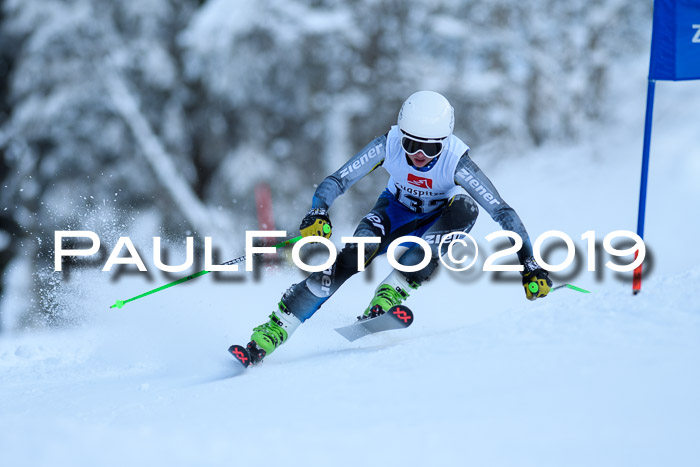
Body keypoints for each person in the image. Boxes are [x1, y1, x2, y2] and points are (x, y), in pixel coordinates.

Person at [242, 90, 551, 364]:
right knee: (349, 259)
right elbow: (338, 180)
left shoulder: (456, 161)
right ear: (401, 135)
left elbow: (501, 210)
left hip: (436, 221)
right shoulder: (387, 144)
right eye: (412, 144)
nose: (418, 155)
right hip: (392, 213)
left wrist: (529, 264)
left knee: (465, 210)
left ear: (444, 143)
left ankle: (389, 295)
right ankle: (273, 330)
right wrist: (318, 212)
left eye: (430, 149)